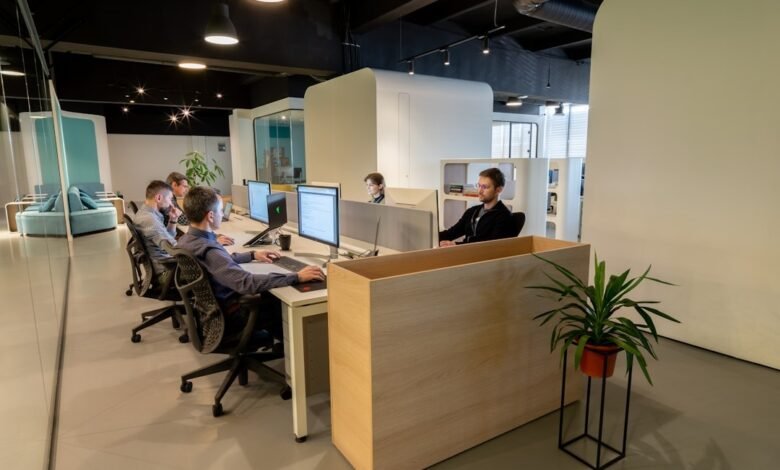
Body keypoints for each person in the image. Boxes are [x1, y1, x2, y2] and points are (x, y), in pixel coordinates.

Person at [177, 186, 325, 343]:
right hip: (232, 315)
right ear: (211, 216)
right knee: (281, 299)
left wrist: (252, 255)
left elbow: (220, 262)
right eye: (221, 211)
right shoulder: (209, 249)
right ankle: (290, 352)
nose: (222, 214)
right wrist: (297, 276)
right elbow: (247, 283)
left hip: (212, 311)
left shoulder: (187, 240)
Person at [438, 168, 516, 246]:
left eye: (485, 187)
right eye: (479, 185)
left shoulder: (504, 216)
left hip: (481, 256)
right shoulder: (472, 211)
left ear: (498, 190)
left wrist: (456, 245)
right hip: (465, 252)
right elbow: (451, 233)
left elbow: (490, 245)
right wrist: (429, 236)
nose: (479, 191)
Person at [165, 171, 234, 246]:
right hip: (173, 241)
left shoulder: (172, 198)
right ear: (174, 185)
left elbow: (184, 216)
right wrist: (204, 217)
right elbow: (184, 220)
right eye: (184, 186)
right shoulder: (169, 201)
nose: (187, 189)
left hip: (173, 239)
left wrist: (211, 236)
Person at [132, 180, 180, 281]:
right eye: (170, 199)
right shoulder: (150, 220)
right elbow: (173, 248)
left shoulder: (147, 213)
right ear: (158, 198)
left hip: (165, 266)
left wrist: (173, 220)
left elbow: (167, 238)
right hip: (166, 273)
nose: (171, 203)